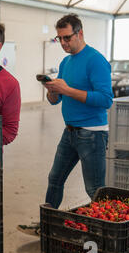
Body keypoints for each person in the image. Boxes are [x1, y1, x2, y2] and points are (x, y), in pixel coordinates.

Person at [18, 13, 113, 236]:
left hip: (93, 134)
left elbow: (105, 100)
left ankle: (108, 233)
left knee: (94, 188)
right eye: (59, 39)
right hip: (70, 132)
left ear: (80, 33)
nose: (63, 43)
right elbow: (55, 100)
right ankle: (47, 226)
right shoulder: (65, 62)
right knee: (55, 179)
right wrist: (52, 91)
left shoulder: (96, 60)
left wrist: (67, 89)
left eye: (67, 38)